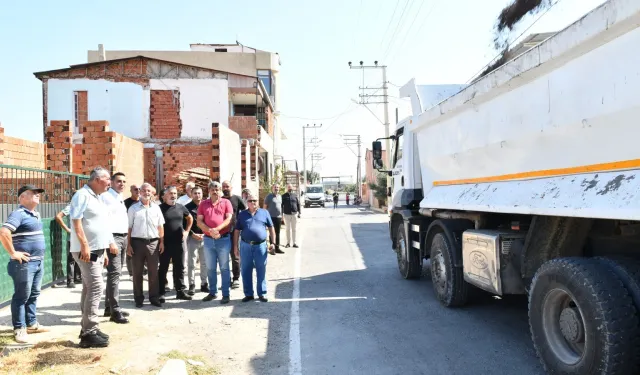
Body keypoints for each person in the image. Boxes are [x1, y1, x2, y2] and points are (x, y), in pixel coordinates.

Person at [69, 167, 118, 348]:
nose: (109, 184)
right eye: (108, 181)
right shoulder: (82, 195)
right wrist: (84, 244)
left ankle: (87, 329)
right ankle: (89, 332)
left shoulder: (97, 197)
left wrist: (103, 250)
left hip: (96, 250)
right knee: (96, 287)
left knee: (89, 288)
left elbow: (100, 225)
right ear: (98, 179)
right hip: (85, 250)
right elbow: (76, 220)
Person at [0, 185, 50, 343]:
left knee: (33, 294)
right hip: (23, 265)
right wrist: (13, 253)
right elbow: (4, 232)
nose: (37, 195)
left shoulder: (35, 214)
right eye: (33, 193)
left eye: (38, 193)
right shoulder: (19, 213)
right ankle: (19, 329)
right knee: (21, 296)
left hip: (37, 262)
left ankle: (31, 324)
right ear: (22, 198)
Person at [127, 183, 165, 308]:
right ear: (139, 192)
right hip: (137, 243)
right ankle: (138, 298)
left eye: (148, 190)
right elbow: (129, 228)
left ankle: (154, 297)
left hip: (153, 243)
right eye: (143, 190)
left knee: (153, 272)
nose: (146, 192)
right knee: (137, 272)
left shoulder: (156, 208)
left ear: (152, 193)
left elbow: (160, 226)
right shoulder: (133, 208)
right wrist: (129, 245)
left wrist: (162, 242)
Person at [234, 192, 276, 303]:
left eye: (255, 200)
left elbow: (271, 228)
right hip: (245, 246)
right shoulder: (242, 214)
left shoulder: (264, 213)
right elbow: (237, 231)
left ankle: (262, 293)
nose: (253, 202)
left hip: (261, 246)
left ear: (258, 202)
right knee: (246, 270)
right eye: (250, 200)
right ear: (246, 202)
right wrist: (235, 247)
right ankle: (248, 294)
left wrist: (273, 243)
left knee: (261, 269)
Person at [100, 172, 130, 324]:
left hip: (123, 237)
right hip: (114, 238)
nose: (122, 184)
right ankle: (115, 310)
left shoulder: (119, 198)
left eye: (124, 181)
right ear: (111, 182)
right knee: (114, 274)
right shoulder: (106, 197)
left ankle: (109, 307)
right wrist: (110, 242)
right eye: (118, 181)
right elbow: (104, 222)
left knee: (116, 274)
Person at [197, 181, 233, 304]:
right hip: (208, 240)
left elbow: (229, 218)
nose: (215, 191)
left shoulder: (226, 202)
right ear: (209, 190)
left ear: (220, 190)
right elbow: (199, 221)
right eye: (212, 188)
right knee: (210, 268)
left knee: (224, 267)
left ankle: (226, 294)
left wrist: (216, 230)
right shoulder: (203, 204)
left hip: (223, 239)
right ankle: (212, 292)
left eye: (217, 189)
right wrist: (209, 231)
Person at [158, 186, 193, 301]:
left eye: (175, 193)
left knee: (180, 267)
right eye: (170, 193)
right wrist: (160, 241)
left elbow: (190, 218)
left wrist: (187, 231)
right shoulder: (159, 208)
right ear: (164, 196)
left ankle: (180, 291)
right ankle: (161, 292)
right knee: (163, 268)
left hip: (179, 242)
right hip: (165, 243)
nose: (173, 195)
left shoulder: (181, 207)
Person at [222, 180, 246, 289]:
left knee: (235, 255)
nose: (225, 188)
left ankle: (236, 278)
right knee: (223, 257)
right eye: (224, 187)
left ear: (231, 187)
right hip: (222, 232)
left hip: (234, 232)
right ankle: (226, 280)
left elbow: (245, 212)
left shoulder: (237, 199)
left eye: (227, 186)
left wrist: (241, 224)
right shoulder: (220, 200)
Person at [54, 194, 82, 288]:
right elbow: (58, 217)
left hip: (82, 237)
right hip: (72, 238)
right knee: (71, 259)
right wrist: (67, 229)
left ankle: (78, 277)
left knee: (81, 257)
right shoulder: (70, 206)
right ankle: (70, 280)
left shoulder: (83, 206)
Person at [185, 187, 208, 295]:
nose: (197, 195)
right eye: (195, 193)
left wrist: (205, 233)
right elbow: (183, 224)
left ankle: (204, 284)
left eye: (199, 193)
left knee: (204, 262)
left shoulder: (207, 206)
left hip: (205, 237)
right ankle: (191, 284)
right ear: (191, 194)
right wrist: (192, 234)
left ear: (202, 194)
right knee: (192, 263)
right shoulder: (186, 208)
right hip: (192, 238)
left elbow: (210, 221)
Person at [123, 184, 139, 278]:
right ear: (131, 191)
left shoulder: (143, 202)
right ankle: (131, 273)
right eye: (135, 189)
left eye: (139, 189)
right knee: (129, 251)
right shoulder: (126, 203)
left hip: (139, 230)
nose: (138, 191)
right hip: (128, 230)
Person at [263, 184, 284, 254]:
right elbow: (265, 207)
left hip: (278, 217)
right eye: (275, 187)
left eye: (277, 187)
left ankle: (277, 248)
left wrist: (282, 216)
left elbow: (281, 207)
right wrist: (264, 217)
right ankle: (272, 249)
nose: (276, 188)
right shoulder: (269, 196)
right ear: (272, 188)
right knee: (272, 233)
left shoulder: (280, 196)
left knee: (277, 233)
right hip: (270, 217)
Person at [281, 184, 301, 248]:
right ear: (287, 188)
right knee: (287, 229)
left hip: (294, 214)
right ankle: (288, 243)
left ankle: (294, 243)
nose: (290, 188)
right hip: (286, 215)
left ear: (292, 188)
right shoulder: (283, 196)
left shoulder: (295, 195)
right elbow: (281, 206)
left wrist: (299, 212)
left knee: (294, 229)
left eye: (291, 187)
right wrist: (281, 215)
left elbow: (298, 204)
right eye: (288, 187)